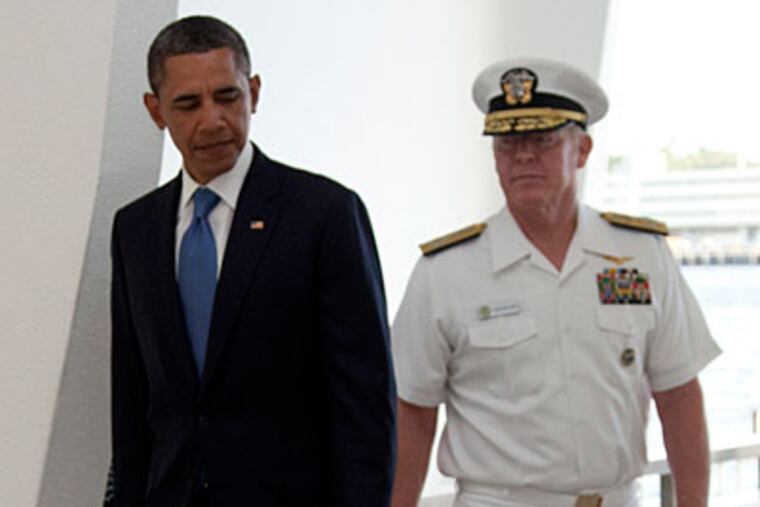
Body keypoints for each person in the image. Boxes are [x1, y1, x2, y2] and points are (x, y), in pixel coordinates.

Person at [390, 58, 720, 507]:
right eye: (508, 143)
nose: (523, 155)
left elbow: (678, 392)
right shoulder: (445, 271)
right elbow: (413, 412)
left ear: (582, 150)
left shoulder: (643, 256)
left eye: (542, 139)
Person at [110, 15, 396, 507]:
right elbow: (133, 398)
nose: (213, 120)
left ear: (255, 92)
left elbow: (365, 404)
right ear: (155, 111)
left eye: (227, 96)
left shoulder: (322, 214)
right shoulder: (135, 229)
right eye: (188, 104)